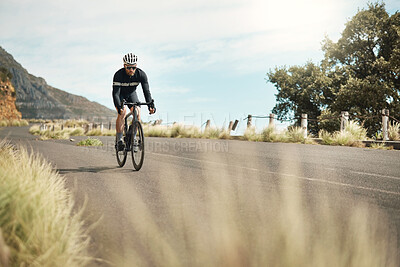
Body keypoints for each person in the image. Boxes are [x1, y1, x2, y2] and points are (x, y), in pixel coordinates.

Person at [112, 53, 155, 151]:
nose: (131, 70)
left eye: (133, 67)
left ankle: (133, 138)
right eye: (129, 67)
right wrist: (119, 107)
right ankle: (119, 141)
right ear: (124, 66)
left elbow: (146, 91)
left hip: (131, 94)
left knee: (138, 113)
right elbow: (115, 94)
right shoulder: (118, 75)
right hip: (120, 95)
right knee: (122, 113)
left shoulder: (141, 74)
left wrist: (151, 106)